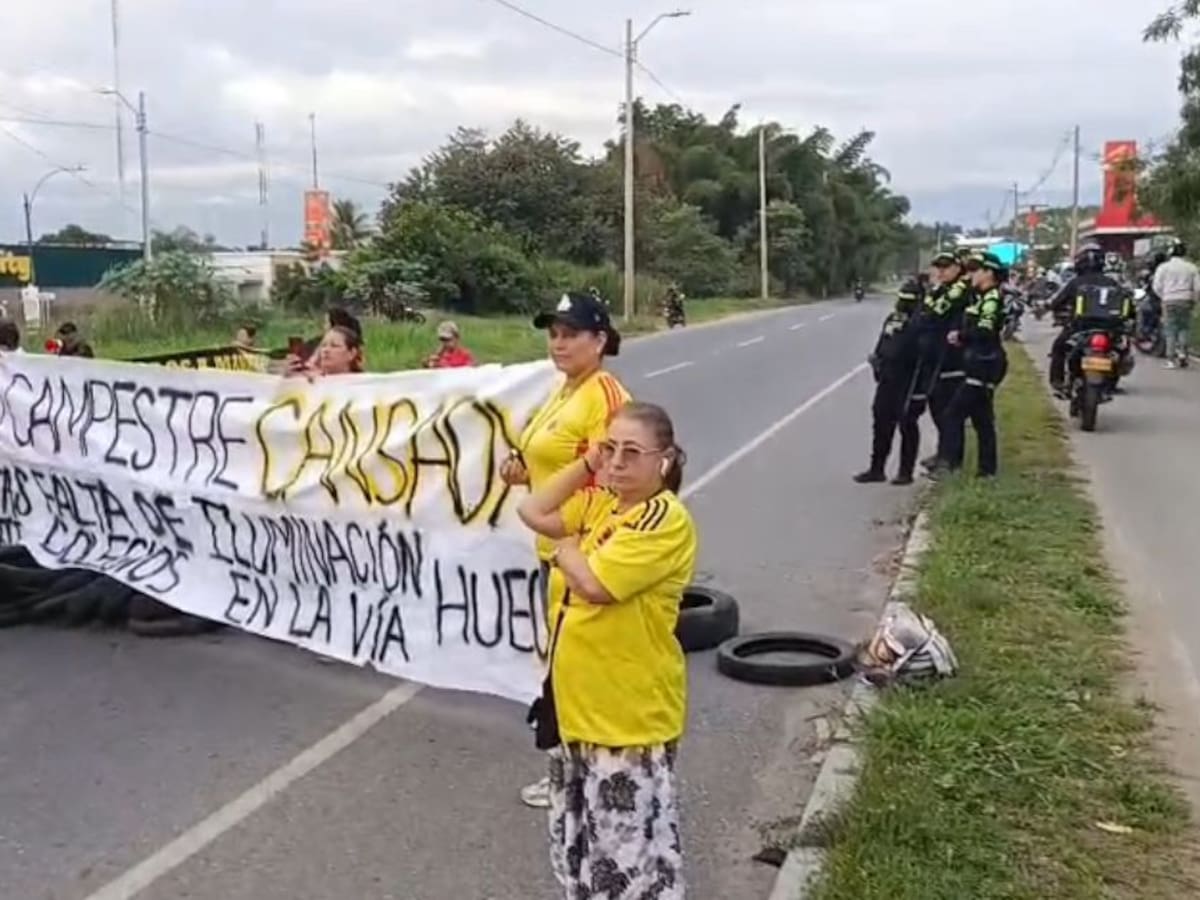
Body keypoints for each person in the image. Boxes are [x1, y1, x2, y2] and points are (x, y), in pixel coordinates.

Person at [517, 402, 696, 900]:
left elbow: (596, 585)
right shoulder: (602, 505)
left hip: (624, 716)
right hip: (576, 708)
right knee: (580, 846)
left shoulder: (663, 519)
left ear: (663, 460)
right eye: (610, 448)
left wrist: (567, 551)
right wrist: (587, 465)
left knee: (628, 860)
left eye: (631, 453)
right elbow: (533, 510)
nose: (617, 462)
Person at [501, 291, 631, 811]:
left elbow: (615, 475)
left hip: (580, 548)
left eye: (571, 333)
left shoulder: (604, 396)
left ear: (599, 340)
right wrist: (521, 467)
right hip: (552, 544)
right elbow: (551, 456)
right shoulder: (565, 390)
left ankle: (584, 772)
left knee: (576, 663)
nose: (558, 343)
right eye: (553, 333)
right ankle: (565, 766)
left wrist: (583, 545)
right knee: (558, 659)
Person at [934, 252, 1008, 479]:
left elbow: (985, 330)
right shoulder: (981, 296)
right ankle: (987, 472)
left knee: (952, 414)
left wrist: (961, 336)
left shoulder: (992, 298)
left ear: (989, 274)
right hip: (980, 361)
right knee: (982, 419)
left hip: (985, 362)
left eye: (976, 270)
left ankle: (949, 466)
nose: (971, 274)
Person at [854, 277, 924, 486]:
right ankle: (877, 469)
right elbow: (883, 342)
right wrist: (877, 362)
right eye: (901, 297)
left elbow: (921, 353)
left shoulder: (921, 322)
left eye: (908, 298)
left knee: (906, 423)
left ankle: (905, 472)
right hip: (887, 377)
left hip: (909, 379)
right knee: (881, 421)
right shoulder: (894, 318)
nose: (903, 301)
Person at [1049, 244, 1134, 392]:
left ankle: (1058, 381)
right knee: (1120, 349)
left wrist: (1057, 313)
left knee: (1058, 348)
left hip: (1081, 327)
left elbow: (1057, 303)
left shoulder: (1075, 282)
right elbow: (1129, 308)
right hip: (1110, 329)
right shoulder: (1112, 282)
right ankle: (1111, 384)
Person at [916, 251, 972, 471]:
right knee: (937, 408)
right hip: (936, 356)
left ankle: (951, 460)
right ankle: (943, 453)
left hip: (952, 359)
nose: (941, 272)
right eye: (938, 267)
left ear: (958, 268)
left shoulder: (959, 291)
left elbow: (934, 314)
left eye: (946, 267)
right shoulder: (942, 288)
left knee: (949, 412)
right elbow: (925, 312)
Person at [1152, 238, 1200, 368]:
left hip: (1169, 301)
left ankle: (1170, 360)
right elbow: (1197, 288)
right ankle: (1183, 354)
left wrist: (1164, 296)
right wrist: (1194, 301)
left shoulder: (1163, 267)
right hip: (1186, 300)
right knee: (1183, 328)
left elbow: (1156, 286)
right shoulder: (1192, 268)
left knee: (1170, 330)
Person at [287, 325, 364, 377]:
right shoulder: (310, 378)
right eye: (323, 346)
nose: (326, 350)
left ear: (352, 353)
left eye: (334, 346)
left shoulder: (365, 384)